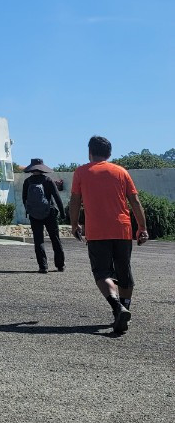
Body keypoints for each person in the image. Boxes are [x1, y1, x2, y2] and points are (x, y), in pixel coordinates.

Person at [69, 135, 149, 334]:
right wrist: (142, 227)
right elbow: (135, 201)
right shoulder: (121, 172)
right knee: (124, 271)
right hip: (122, 229)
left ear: (90, 152)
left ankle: (117, 308)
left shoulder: (81, 172)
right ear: (109, 153)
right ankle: (124, 309)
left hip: (97, 231)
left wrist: (74, 224)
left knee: (102, 273)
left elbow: (75, 201)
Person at [21, 158, 66, 273]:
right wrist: (62, 213)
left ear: (31, 169)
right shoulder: (47, 180)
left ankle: (43, 266)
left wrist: (30, 210)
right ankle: (60, 265)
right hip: (50, 212)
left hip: (34, 215)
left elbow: (24, 199)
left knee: (38, 240)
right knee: (55, 239)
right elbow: (57, 197)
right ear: (42, 169)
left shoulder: (27, 182)